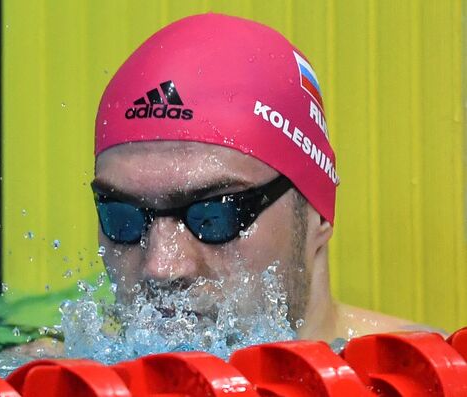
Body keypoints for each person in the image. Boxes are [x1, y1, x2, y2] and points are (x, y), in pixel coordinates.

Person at [89, 12, 428, 345]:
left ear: (317, 212)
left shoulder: (427, 378)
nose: (161, 267)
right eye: (122, 217)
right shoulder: (58, 373)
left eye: (215, 215)